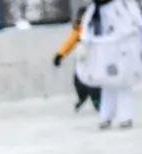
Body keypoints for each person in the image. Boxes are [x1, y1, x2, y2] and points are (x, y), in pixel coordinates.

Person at [75, 0, 142, 128]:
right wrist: (84, 43)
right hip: (102, 50)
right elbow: (86, 28)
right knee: (107, 85)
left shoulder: (122, 4)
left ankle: (125, 117)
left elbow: (137, 22)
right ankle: (106, 116)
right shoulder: (94, 8)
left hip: (122, 48)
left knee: (123, 83)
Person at [52, 4, 102, 112]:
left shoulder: (95, 27)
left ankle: (97, 98)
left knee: (94, 80)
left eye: (83, 16)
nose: (81, 19)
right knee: (78, 80)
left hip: (96, 59)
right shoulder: (78, 29)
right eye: (80, 16)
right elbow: (69, 42)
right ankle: (82, 96)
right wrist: (59, 55)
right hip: (83, 60)